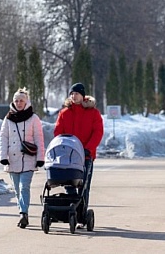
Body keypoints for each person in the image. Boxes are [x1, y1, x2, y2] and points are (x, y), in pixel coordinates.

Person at [54, 82, 104, 226]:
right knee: (67, 182)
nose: (73, 96)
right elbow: (58, 132)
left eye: (76, 93)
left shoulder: (93, 113)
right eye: (72, 94)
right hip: (67, 155)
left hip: (86, 155)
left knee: (84, 185)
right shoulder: (64, 113)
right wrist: (62, 146)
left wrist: (88, 148)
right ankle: (73, 207)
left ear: (83, 96)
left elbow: (98, 132)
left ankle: (82, 214)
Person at [0, 88, 45, 228]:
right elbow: (3, 138)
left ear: (26, 102)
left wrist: (40, 157)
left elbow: (39, 138)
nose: (19, 103)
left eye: (21, 101)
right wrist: (3, 157)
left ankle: (23, 213)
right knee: (17, 189)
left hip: (28, 158)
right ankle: (22, 211)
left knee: (24, 186)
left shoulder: (34, 118)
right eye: (16, 101)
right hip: (12, 159)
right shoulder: (8, 118)